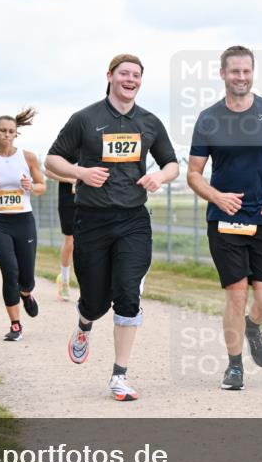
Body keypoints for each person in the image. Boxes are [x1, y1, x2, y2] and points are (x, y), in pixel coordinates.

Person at [46, 54, 179, 401]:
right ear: (110, 76)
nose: (130, 80)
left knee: (127, 292)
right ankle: (85, 323)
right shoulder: (86, 119)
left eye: (136, 75)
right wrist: (80, 173)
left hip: (133, 220)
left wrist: (158, 176)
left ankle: (119, 376)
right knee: (95, 301)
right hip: (92, 219)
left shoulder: (149, 122)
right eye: (124, 74)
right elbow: (52, 158)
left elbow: (172, 164)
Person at [187, 46, 262, 391]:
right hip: (224, 219)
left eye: (247, 71)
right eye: (235, 72)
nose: (241, 77)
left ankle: (253, 326)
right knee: (235, 294)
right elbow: (193, 173)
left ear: (253, 73)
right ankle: (234, 367)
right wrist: (216, 196)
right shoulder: (209, 119)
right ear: (222, 74)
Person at [0, 108, 46, 341]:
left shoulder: (28, 157)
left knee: (26, 277)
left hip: (23, 220)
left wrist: (31, 187)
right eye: (3, 131)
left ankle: (26, 293)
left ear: (16, 134)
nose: (7, 135)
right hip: (0, 221)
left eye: (11, 131)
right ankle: (16, 325)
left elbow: (41, 186)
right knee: (9, 270)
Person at [44, 169, 77, 302]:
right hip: (68, 200)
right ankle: (64, 281)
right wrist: (72, 179)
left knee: (90, 242)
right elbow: (48, 171)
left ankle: (90, 285)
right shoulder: (66, 149)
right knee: (70, 240)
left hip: (91, 198)